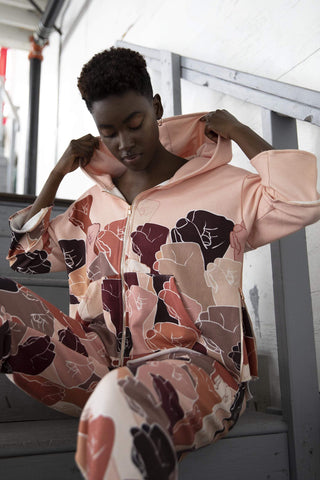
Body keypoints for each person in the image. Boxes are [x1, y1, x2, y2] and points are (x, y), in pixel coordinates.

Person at [1, 46, 320, 480]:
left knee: (120, 398)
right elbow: (27, 257)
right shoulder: (93, 206)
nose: (125, 142)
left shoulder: (224, 189)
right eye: (109, 132)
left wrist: (241, 131)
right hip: (95, 367)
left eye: (134, 124)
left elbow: (302, 199)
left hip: (199, 375)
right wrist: (56, 176)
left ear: (156, 108)